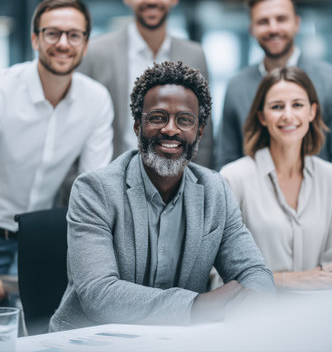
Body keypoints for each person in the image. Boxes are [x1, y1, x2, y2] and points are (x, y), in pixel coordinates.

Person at [49, 61, 274, 331]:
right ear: (137, 125)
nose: (170, 129)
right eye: (157, 117)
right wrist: (196, 306)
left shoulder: (216, 190)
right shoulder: (95, 190)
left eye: (185, 120)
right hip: (94, 342)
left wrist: (251, 299)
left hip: (177, 343)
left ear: (199, 131)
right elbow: (100, 295)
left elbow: (255, 273)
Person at [0, 0, 114, 303]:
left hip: (46, 237)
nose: (63, 43)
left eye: (74, 35)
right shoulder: (4, 89)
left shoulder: (96, 99)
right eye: (52, 33)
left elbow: (94, 186)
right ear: (35, 39)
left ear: (85, 44)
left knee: (41, 334)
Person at [79, 0, 213, 168]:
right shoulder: (96, 52)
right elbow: (79, 127)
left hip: (177, 183)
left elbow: (204, 135)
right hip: (112, 184)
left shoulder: (194, 55)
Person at [220, 67, 332, 290]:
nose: (287, 115)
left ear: (312, 112)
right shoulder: (232, 179)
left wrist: (261, 279)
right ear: (262, 117)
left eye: (297, 105)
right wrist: (289, 280)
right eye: (277, 107)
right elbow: (218, 277)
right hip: (255, 317)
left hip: (320, 315)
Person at [216, 0, 332, 169]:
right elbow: (226, 160)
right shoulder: (236, 87)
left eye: (281, 19)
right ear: (252, 29)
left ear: (296, 23)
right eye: (263, 21)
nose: (273, 29)